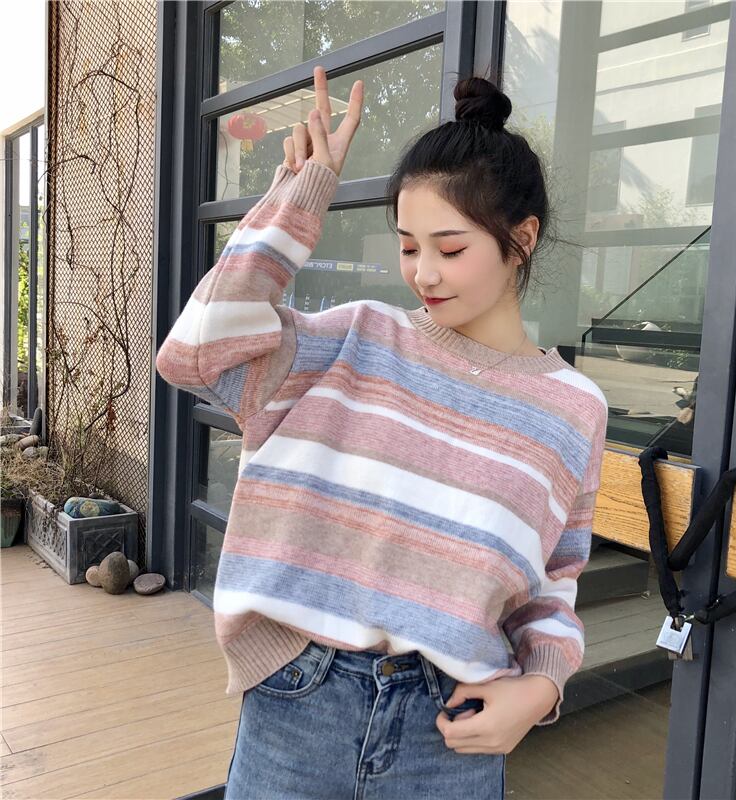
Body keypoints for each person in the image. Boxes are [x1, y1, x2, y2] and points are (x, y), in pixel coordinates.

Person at [155, 65, 607, 800]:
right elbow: (199, 352)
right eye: (407, 245)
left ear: (521, 239)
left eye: (450, 249)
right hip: (300, 701)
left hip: (453, 727)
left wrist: (540, 689)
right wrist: (297, 200)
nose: (423, 273)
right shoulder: (353, 340)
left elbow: (553, 583)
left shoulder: (573, 407)